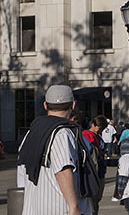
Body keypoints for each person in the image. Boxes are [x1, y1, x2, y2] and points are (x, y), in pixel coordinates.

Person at [16, 85, 95, 215]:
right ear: (73, 105)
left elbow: (22, 169)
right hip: (60, 208)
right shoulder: (63, 133)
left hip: (35, 207)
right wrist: (73, 207)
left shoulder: (31, 133)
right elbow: (63, 170)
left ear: (45, 105)